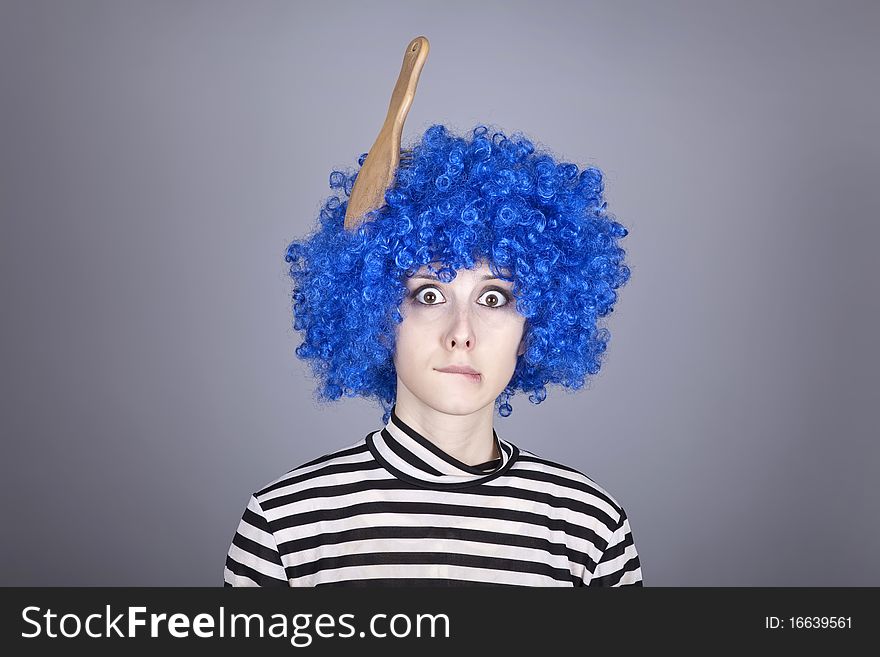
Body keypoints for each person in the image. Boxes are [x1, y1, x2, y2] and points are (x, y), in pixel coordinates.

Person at [223, 121, 643, 587]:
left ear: (533, 327)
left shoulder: (588, 528)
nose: (461, 334)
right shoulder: (286, 525)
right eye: (428, 295)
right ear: (377, 315)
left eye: (493, 298)